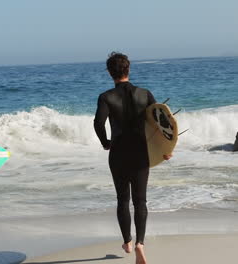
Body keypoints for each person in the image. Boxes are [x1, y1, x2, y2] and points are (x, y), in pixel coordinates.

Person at [94, 52, 171, 264]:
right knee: (140, 200)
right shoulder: (145, 94)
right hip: (140, 152)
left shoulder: (106, 97)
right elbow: (161, 123)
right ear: (128, 69)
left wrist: (106, 143)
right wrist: (166, 148)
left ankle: (127, 241)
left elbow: (98, 124)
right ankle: (140, 243)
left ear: (110, 73)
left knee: (122, 199)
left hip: (118, 152)